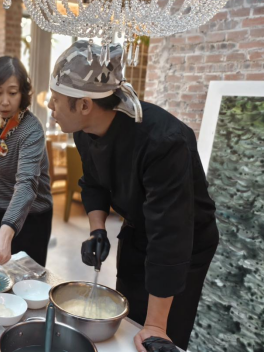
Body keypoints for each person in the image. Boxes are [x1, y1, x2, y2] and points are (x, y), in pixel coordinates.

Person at [47, 40, 219, 352]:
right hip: (138, 226)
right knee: (128, 311)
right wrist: (97, 230)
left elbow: (169, 237)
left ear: (84, 105)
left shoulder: (163, 142)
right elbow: (94, 182)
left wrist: (156, 327)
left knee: (158, 332)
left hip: (185, 242)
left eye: (55, 99)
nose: (49, 105)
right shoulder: (83, 131)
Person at [0, 56, 53, 278]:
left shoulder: (31, 131)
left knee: (25, 282)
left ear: (23, 93)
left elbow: (26, 184)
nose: (5, 101)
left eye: (12, 93)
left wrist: (7, 228)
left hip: (30, 216)